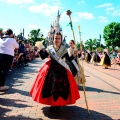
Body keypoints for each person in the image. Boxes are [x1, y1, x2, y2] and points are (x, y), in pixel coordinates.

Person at [30, 33, 80, 111]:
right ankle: (52, 104)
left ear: (61, 39)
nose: (57, 40)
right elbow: (43, 57)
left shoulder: (63, 48)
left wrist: (76, 54)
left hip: (61, 69)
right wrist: (40, 49)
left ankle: (57, 103)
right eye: (55, 38)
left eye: (59, 38)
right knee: (50, 86)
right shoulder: (50, 48)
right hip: (50, 69)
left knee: (60, 86)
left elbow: (69, 58)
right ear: (53, 39)